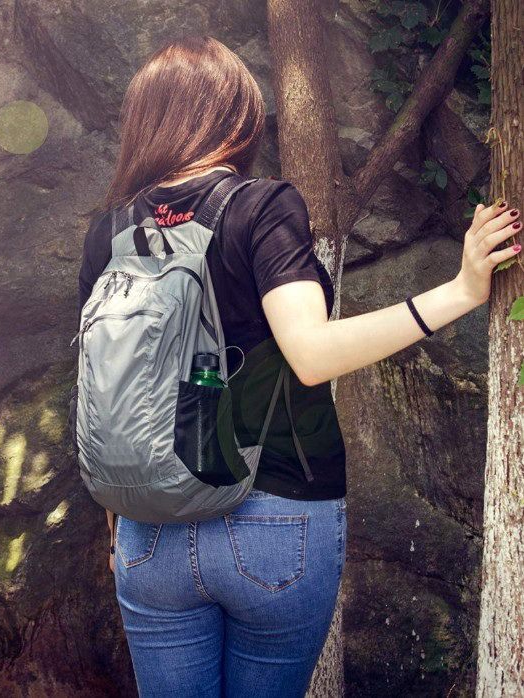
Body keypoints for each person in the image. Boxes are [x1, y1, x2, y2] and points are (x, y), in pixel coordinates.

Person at [76, 35, 520, 698]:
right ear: (235, 118)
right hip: (273, 515)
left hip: (146, 531)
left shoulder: (108, 233)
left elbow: (103, 392)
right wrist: (459, 292)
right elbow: (310, 354)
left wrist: (121, 518)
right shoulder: (259, 206)